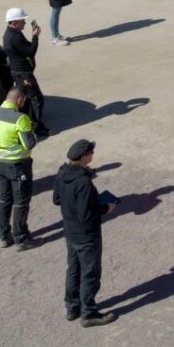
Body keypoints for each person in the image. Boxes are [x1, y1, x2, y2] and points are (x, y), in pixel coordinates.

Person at [53, 139, 117, 327]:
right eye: (91, 153)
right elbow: (87, 214)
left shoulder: (62, 172)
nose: (92, 155)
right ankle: (89, 314)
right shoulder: (84, 182)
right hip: (86, 235)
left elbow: (57, 199)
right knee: (90, 273)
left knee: (73, 269)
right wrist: (106, 208)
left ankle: (72, 307)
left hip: (70, 231)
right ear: (83, 158)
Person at [0, 87, 36, 250]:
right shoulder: (21, 118)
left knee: (4, 199)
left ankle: (4, 236)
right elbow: (29, 143)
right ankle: (21, 238)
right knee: (21, 202)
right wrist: (31, 130)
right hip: (18, 165)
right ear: (20, 99)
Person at [2, 7, 49, 138]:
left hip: (18, 72)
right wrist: (35, 37)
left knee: (24, 99)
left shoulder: (11, 33)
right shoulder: (15, 37)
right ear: (14, 22)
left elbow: (25, 47)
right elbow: (30, 51)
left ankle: (27, 121)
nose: (24, 23)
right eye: (22, 21)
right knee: (37, 99)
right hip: (24, 74)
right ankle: (37, 128)